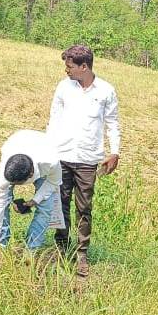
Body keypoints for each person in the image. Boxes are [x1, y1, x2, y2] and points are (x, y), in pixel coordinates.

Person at [47, 44, 121, 277]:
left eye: (70, 66)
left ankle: (81, 253)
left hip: (88, 159)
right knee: (60, 203)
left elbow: (112, 123)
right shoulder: (63, 87)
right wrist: (49, 151)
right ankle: (61, 246)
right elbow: (54, 119)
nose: (66, 70)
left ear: (84, 66)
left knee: (84, 207)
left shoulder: (106, 91)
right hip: (62, 156)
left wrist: (115, 152)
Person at [0, 129, 63, 251]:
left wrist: (36, 200)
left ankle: (32, 249)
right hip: (16, 141)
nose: (12, 185)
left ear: (30, 175)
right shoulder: (2, 176)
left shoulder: (51, 162)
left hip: (43, 147)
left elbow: (53, 182)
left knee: (46, 207)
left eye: (15, 183)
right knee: (3, 202)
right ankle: (1, 247)